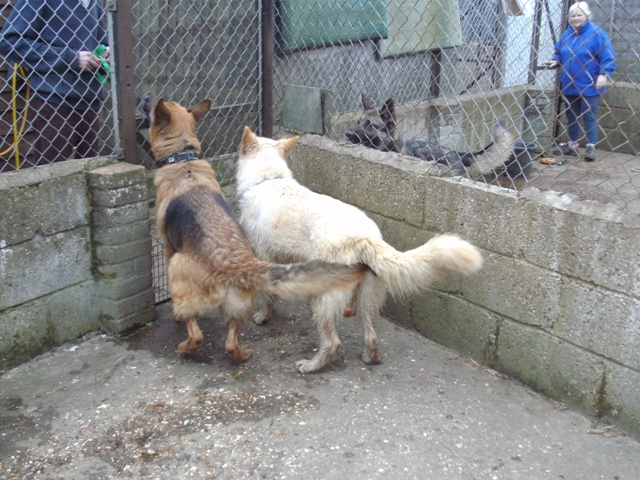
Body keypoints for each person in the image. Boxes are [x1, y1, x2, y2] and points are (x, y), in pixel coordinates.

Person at [0, 0, 111, 166]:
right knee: (54, 176)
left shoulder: (93, 2)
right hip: (54, 101)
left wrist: (107, 51)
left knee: (91, 172)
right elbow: (9, 41)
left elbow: (100, 41)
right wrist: (70, 58)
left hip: (90, 101)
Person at [545, 1, 616, 162]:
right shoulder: (568, 33)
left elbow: (608, 56)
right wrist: (555, 61)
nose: (576, 18)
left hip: (589, 84)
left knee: (589, 116)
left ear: (587, 16)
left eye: (579, 15)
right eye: (573, 16)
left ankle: (590, 147)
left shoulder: (596, 33)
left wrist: (603, 74)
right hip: (569, 84)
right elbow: (560, 51)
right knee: (571, 116)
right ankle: (572, 145)